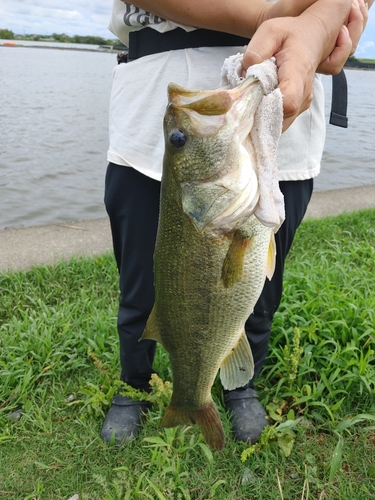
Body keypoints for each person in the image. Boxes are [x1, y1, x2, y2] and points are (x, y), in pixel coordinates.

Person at [101, 0, 369, 444]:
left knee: (263, 286)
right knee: (140, 285)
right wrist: (274, 19)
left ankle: (239, 383)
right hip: (155, 72)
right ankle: (135, 384)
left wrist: (319, 28)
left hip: (291, 87)